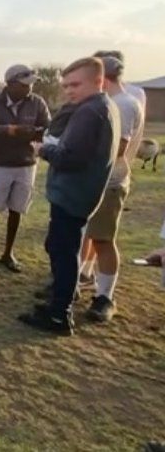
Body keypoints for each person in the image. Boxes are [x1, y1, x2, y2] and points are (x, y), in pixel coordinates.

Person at [18, 57, 119, 336]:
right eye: (65, 85)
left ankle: (59, 314)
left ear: (98, 81)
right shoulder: (101, 107)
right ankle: (60, 301)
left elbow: (71, 158)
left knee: (64, 253)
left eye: (75, 84)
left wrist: (43, 149)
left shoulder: (90, 112)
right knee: (60, 247)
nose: (69, 91)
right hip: (79, 192)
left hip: (73, 194)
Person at [77, 56, 143, 322]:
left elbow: (119, 148)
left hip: (109, 181)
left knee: (103, 239)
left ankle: (105, 297)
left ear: (103, 77)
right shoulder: (109, 101)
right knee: (85, 235)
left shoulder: (124, 104)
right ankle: (75, 283)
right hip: (92, 180)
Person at [0, 64, 51, 273]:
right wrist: (9, 130)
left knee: (16, 209)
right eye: (24, 85)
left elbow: (48, 127)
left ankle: (8, 253)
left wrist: (34, 132)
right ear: (10, 84)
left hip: (26, 164)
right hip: (0, 163)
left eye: (30, 85)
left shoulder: (37, 103)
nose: (29, 89)